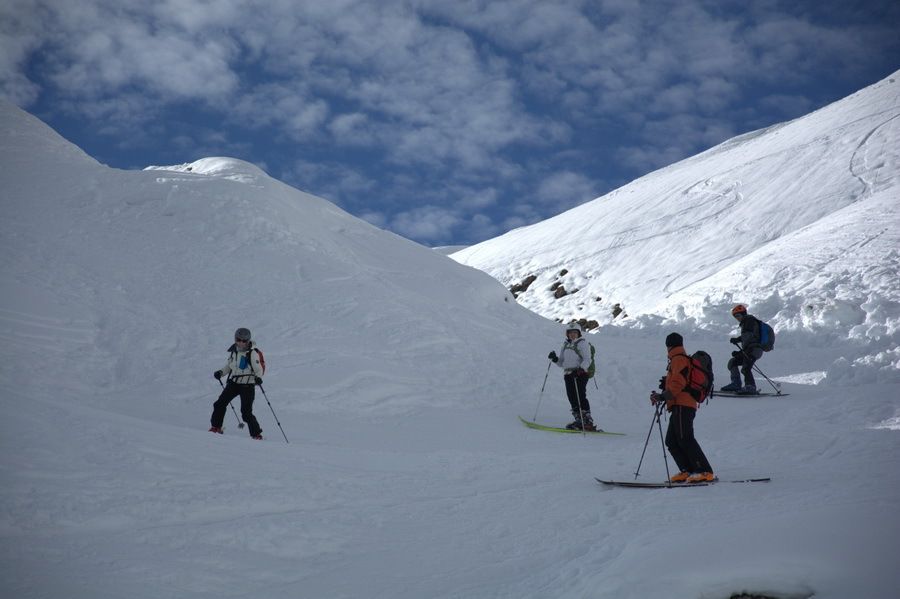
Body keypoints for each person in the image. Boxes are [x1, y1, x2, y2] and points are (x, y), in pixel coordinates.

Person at [650, 332, 715, 483]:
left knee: (685, 438)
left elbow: (678, 383)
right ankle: (687, 470)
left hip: (683, 404)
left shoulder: (678, 359)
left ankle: (704, 471)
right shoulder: (679, 359)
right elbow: (678, 381)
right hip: (679, 404)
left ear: (669, 346)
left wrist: (663, 396)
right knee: (671, 441)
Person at [209, 327, 264, 439]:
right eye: (238, 340)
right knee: (219, 404)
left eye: (244, 340)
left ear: (248, 341)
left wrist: (258, 378)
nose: (241, 343)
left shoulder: (252, 353)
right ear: (235, 339)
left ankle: (256, 434)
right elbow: (229, 366)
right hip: (234, 383)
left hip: (247, 385)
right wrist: (221, 372)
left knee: (246, 413)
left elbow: (259, 370)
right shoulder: (234, 351)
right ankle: (216, 427)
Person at [547, 323, 597, 431]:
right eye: (570, 333)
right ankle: (579, 420)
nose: (572, 334)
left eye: (575, 332)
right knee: (572, 397)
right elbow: (562, 363)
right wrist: (555, 359)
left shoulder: (583, 343)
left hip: (580, 374)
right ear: (567, 334)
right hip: (568, 374)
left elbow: (587, 359)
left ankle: (587, 421)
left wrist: (580, 369)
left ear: (579, 333)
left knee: (580, 395)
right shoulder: (565, 345)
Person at [721, 304, 763, 394]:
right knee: (733, 362)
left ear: (743, 314)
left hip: (754, 349)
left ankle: (750, 387)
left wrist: (738, 344)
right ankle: (736, 384)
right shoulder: (746, 322)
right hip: (751, 349)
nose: (737, 318)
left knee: (746, 367)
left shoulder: (749, 320)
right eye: (735, 316)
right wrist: (738, 342)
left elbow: (748, 337)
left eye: (738, 315)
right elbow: (748, 337)